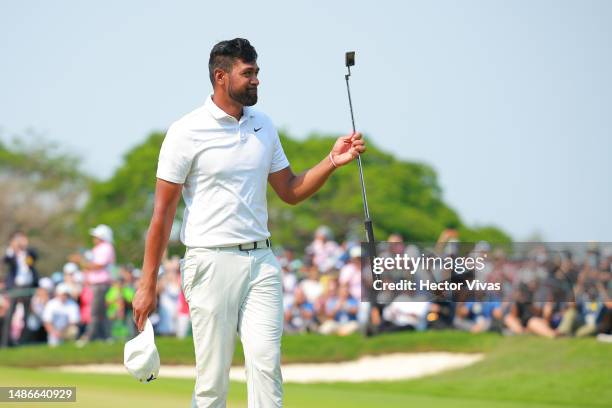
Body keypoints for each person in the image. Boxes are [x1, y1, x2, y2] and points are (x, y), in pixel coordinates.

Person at [132, 38, 366, 408]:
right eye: (249, 73)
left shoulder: (264, 125)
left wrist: (332, 162)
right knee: (212, 382)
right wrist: (148, 283)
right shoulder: (186, 131)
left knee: (266, 368)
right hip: (209, 262)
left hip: (261, 262)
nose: (257, 80)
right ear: (221, 76)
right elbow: (161, 215)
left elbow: (288, 189)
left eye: (257, 72)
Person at [71, 224, 115, 344]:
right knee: (101, 312)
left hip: (101, 283)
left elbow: (98, 265)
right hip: (96, 284)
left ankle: (89, 337)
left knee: (95, 312)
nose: (94, 238)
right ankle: (106, 337)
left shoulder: (106, 247)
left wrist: (81, 262)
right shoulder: (98, 248)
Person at [2, 231, 39, 346]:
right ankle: (5, 343)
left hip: (27, 286)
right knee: (10, 315)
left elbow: (34, 257)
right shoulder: (12, 253)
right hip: (15, 287)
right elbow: (6, 260)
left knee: (27, 315)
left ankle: (23, 342)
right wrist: (14, 248)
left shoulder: (28, 253)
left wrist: (25, 248)